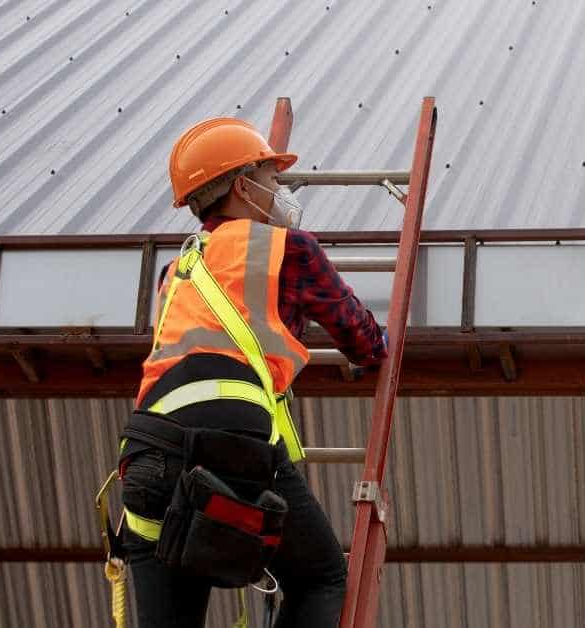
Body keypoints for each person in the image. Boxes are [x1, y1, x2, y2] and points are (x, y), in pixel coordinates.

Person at [117, 117, 386, 627]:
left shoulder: (176, 273)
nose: (279, 191)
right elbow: (362, 341)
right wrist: (384, 342)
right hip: (229, 442)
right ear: (243, 186)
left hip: (147, 456)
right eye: (271, 179)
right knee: (321, 580)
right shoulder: (288, 249)